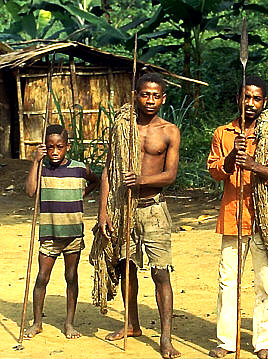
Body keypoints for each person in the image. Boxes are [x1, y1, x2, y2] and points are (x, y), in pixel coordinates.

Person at [207, 76, 268, 359]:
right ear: (237, 99)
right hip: (234, 216)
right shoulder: (223, 133)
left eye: (257, 99)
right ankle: (226, 341)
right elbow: (215, 169)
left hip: (265, 220)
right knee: (228, 281)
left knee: (265, 283)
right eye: (246, 97)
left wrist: (256, 166)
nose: (251, 103)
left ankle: (264, 341)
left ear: (264, 102)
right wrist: (232, 158)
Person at [98, 73, 181, 359]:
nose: (150, 100)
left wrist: (142, 180)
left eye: (156, 95)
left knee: (160, 272)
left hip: (153, 209)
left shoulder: (169, 131)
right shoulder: (123, 128)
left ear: (163, 99)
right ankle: (131, 324)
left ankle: (166, 338)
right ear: (135, 95)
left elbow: (170, 175)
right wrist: (103, 212)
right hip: (124, 209)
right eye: (145, 94)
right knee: (127, 267)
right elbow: (109, 169)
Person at [24, 124, 100, 339]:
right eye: (50, 147)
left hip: (73, 234)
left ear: (67, 147)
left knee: (71, 277)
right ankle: (37, 322)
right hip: (50, 234)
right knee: (42, 278)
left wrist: (81, 194)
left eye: (59, 147)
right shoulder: (42, 169)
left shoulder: (79, 169)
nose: (54, 152)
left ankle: (69, 323)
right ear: (45, 148)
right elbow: (30, 192)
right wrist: (35, 162)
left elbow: (96, 180)